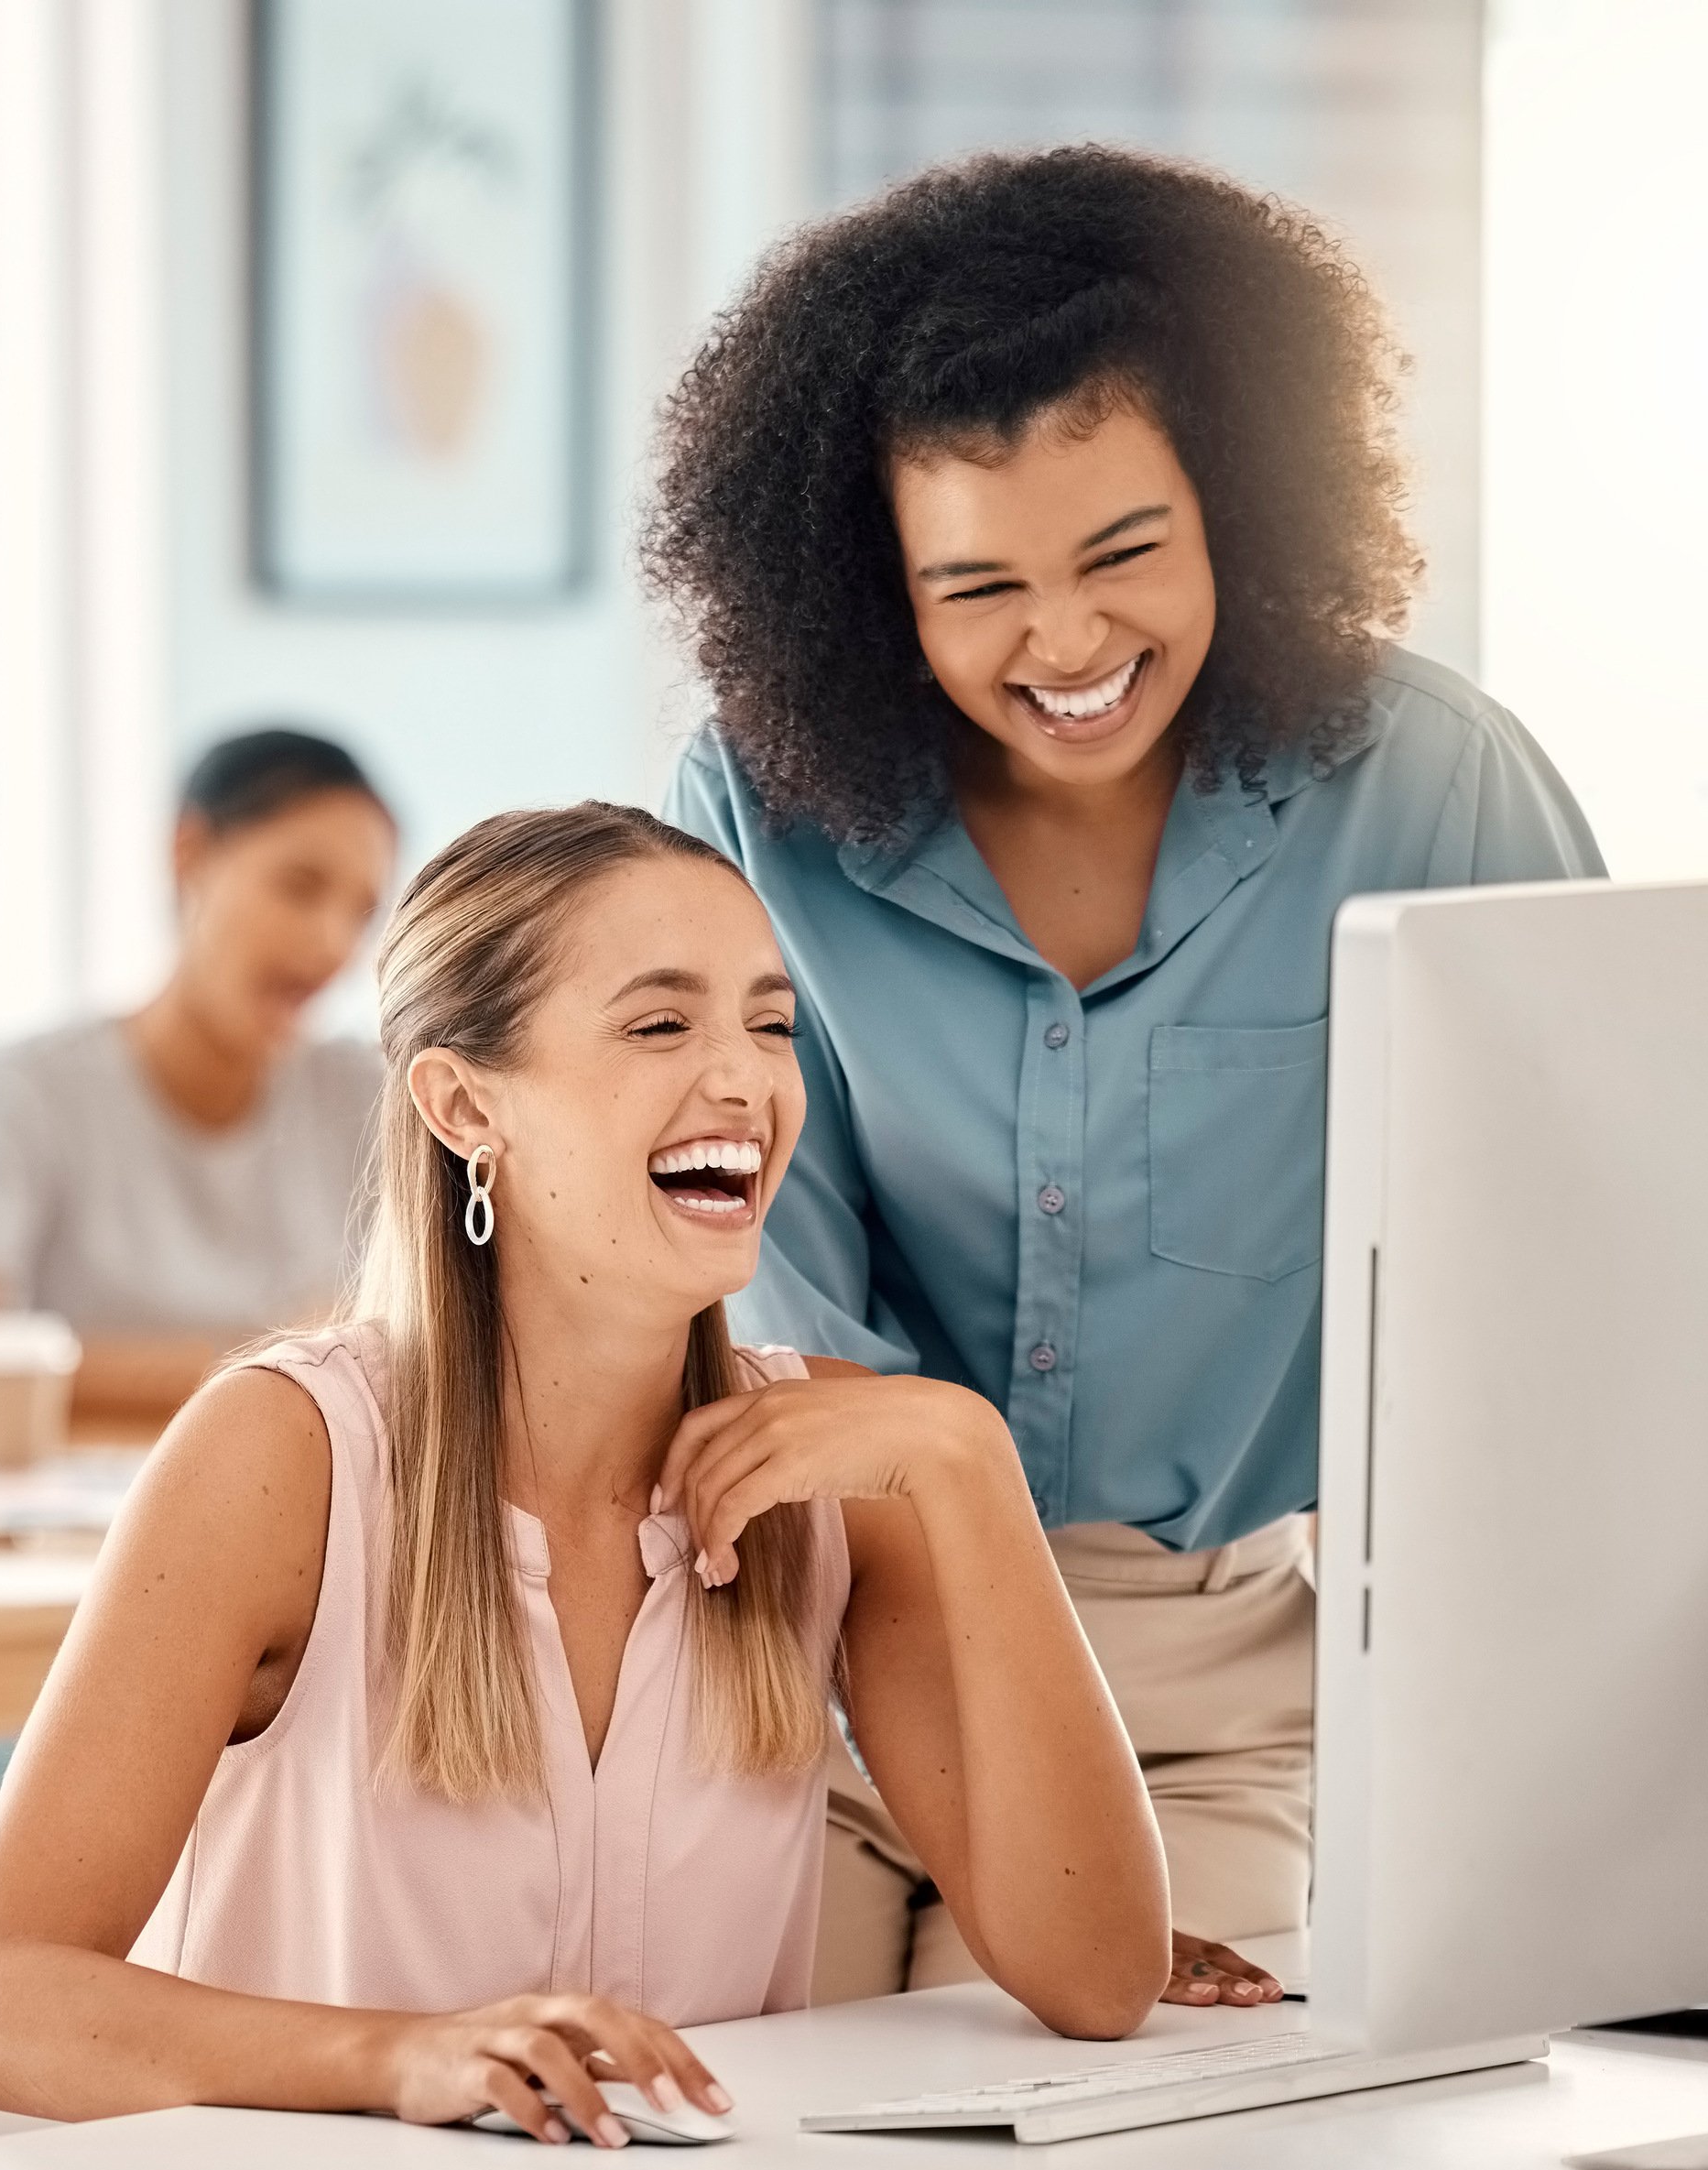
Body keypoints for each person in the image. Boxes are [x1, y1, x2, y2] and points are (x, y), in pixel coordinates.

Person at [642, 146, 1605, 2010]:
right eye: (975, 585)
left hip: (1216, 1682)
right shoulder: (744, 822)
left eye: (1122, 552)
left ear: (1238, 499)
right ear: (866, 592)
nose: (1066, 643)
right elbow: (777, 1320)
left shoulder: (1435, 785)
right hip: (822, 1645)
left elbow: (1575, 1274)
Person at [0, 804, 1169, 2141]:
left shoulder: (848, 1467)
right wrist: (409, 2060)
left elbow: (1096, 1978)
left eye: (770, 1024)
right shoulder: (283, 1457)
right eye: (658, 1026)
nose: (746, 1082)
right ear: (465, 1106)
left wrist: (971, 1463)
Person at [0, 728, 399, 1430]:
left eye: (361, 913)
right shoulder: (21, 1095)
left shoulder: (372, 1099)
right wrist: (281, 1365)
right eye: (299, 887)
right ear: (188, 854)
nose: (331, 945)